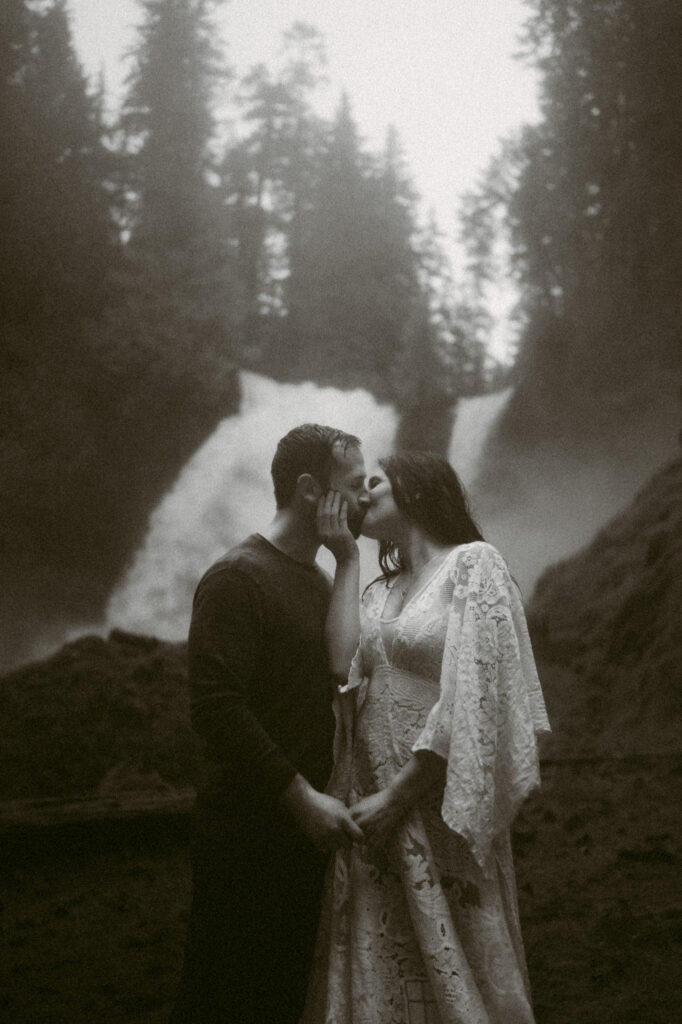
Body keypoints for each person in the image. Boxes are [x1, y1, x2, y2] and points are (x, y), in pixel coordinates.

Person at [303, 450, 551, 1024]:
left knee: (458, 942)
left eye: (374, 484)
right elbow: (341, 665)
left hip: (434, 795)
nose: (361, 497)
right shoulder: (375, 592)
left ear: (414, 491)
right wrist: (344, 557)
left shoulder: (473, 565)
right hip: (367, 792)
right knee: (381, 955)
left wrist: (400, 796)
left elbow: (476, 692)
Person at [169, 423, 370, 1024]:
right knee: (222, 997)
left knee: (280, 999)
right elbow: (214, 706)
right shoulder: (238, 577)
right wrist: (300, 796)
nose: (366, 497)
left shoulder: (316, 578)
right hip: (246, 833)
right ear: (311, 490)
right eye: (354, 485)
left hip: (303, 837)